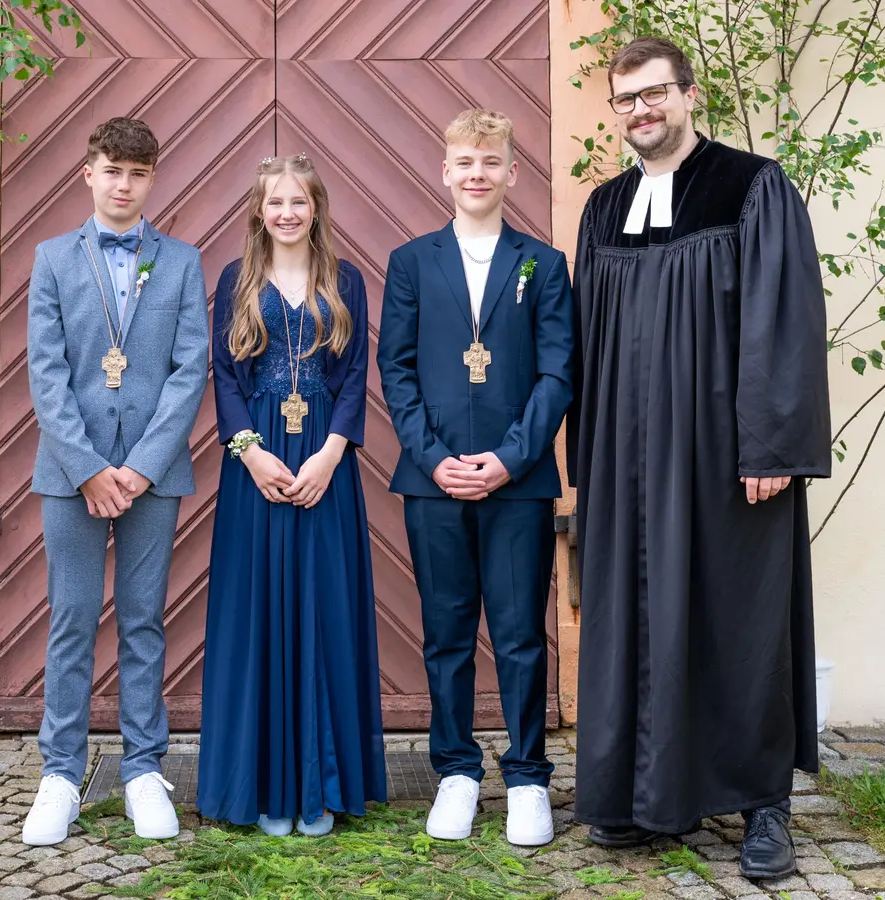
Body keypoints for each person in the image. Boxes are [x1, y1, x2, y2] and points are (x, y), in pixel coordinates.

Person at [567, 37, 832, 879]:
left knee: (739, 616)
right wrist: (589, 456)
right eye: (626, 101)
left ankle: (764, 807)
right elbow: (586, 339)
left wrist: (773, 444)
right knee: (633, 615)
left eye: (654, 95)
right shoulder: (604, 208)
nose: (640, 112)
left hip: (725, 453)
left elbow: (783, 321)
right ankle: (642, 797)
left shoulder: (752, 187)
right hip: (626, 457)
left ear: (689, 94)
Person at [377, 109, 573, 848]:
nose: (477, 174)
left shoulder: (543, 265)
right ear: (445, 169)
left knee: (521, 636)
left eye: (490, 162)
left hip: (517, 483)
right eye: (464, 162)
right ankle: (456, 772)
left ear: (512, 171)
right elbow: (394, 368)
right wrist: (433, 456)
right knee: (447, 634)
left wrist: (510, 457)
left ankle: (526, 778)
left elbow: (558, 371)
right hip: (434, 483)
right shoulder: (412, 262)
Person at [19, 116, 210, 847]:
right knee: (70, 621)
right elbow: (47, 371)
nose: (123, 184)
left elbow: (189, 371)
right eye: (112, 171)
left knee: (142, 621)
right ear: (89, 174)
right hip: (71, 476)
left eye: (137, 173)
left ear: (151, 179)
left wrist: (136, 468)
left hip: (150, 479)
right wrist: (91, 468)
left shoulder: (182, 261)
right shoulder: (52, 258)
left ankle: (141, 769)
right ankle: (61, 773)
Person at [197, 153, 387, 837]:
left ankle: (322, 785)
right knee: (261, 615)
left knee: (323, 612)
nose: (286, 213)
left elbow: (357, 372)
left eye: (298, 202)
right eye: (275, 202)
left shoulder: (348, 282)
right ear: (259, 211)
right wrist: (250, 454)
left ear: (316, 209)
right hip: (259, 466)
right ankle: (267, 789)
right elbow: (223, 373)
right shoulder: (235, 280)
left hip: (326, 469)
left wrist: (333, 454)